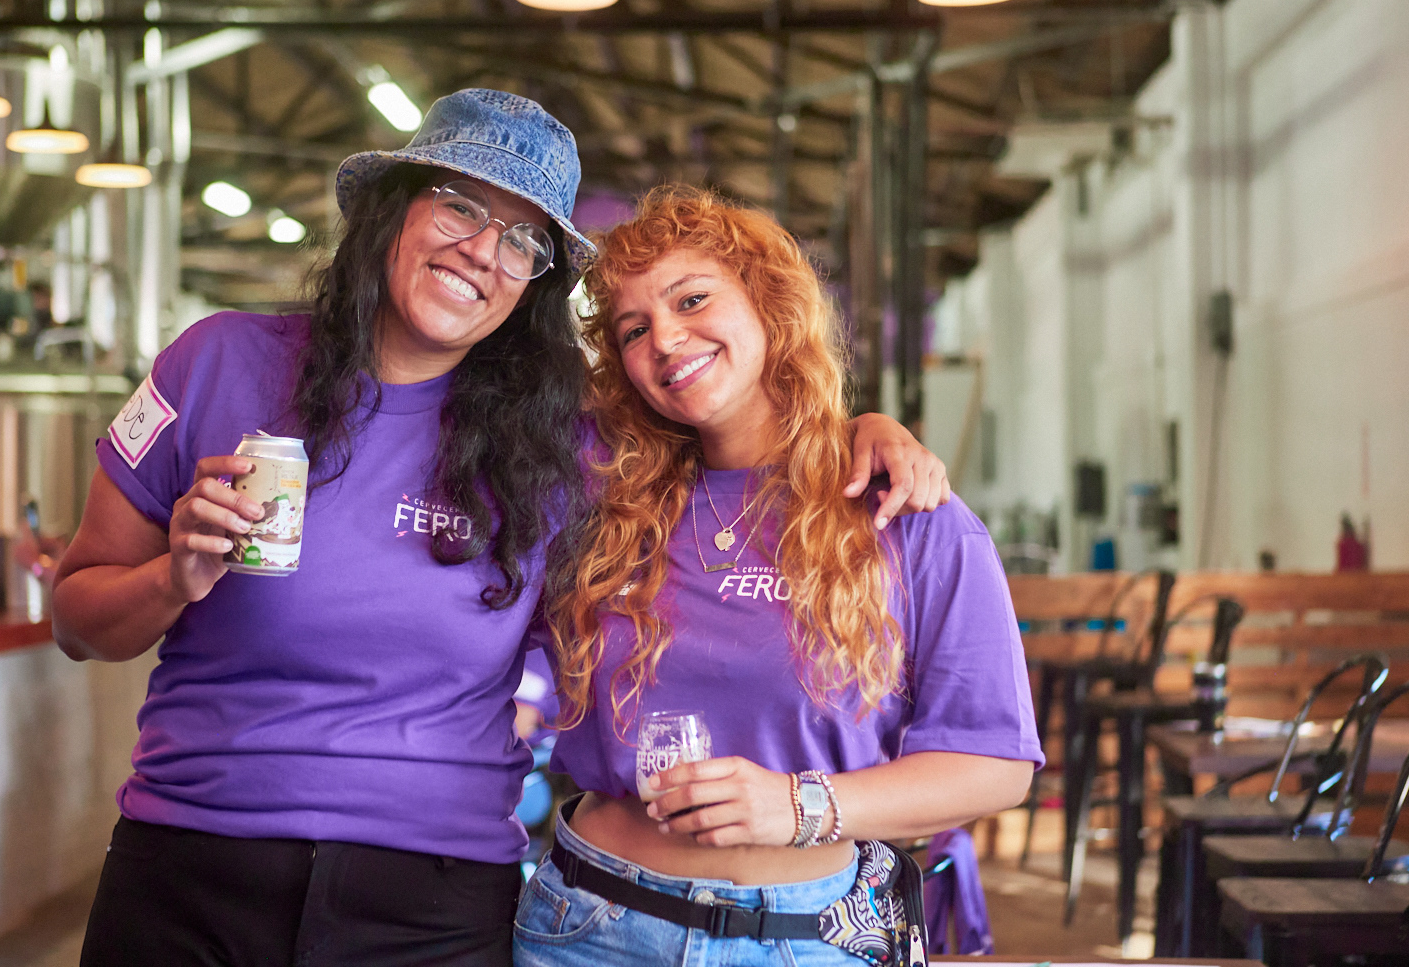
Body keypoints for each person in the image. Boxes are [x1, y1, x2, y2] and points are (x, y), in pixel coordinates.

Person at [51, 91, 946, 967]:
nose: (482, 251)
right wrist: (174, 576)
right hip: (191, 865)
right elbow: (77, 622)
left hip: (428, 902)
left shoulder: (564, 443)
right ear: (393, 210)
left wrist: (859, 435)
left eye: (522, 241)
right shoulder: (217, 361)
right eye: (459, 206)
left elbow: (724, 438)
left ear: (534, 285)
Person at [514, 186, 1043, 967]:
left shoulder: (904, 515)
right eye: (633, 329)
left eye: (692, 298)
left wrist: (800, 806)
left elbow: (994, 765)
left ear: (769, 303)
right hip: (589, 927)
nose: (666, 338)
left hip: (807, 939)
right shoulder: (599, 493)